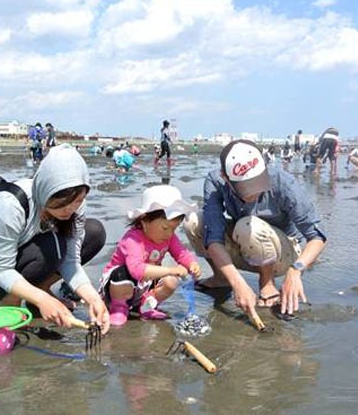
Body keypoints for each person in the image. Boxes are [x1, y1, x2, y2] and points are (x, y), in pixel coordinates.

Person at [0, 145, 110, 333]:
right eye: (62, 202)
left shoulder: (76, 205)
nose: (70, 209)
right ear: (46, 190)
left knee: (93, 232)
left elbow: (71, 260)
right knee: (53, 245)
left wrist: (93, 298)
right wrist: (43, 300)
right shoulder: (9, 204)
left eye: (77, 201)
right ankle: (11, 303)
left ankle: (39, 291)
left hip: (26, 255)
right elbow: (0, 268)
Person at [184, 140, 327, 319]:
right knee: (194, 221)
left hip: (284, 253)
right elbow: (213, 238)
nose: (254, 193)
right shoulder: (215, 181)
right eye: (246, 188)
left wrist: (296, 270)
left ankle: (267, 284)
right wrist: (238, 284)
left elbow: (317, 236)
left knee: (249, 224)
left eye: (258, 183)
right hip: (247, 245)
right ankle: (221, 278)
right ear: (225, 177)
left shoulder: (283, 182)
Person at [99, 185, 201, 326]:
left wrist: (192, 264)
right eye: (165, 228)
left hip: (145, 285)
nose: (169, 234)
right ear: (144, 220)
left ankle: (147, 306)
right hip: (117, 286)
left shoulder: (169, 237)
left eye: (174, 228)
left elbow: (181, 253)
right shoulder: (133, 239)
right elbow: (136, 270)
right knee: (122, 273)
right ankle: (118, 309)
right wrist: (170, 270)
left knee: (172, 281)